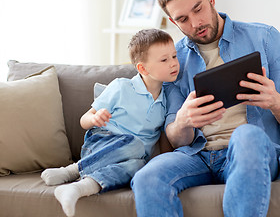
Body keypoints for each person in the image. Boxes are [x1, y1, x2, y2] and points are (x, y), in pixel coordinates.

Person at [131, 0, 280, 216]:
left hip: (249, 150)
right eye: (183, 19)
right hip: (197, 155)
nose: (196, 23)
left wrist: (275, 101)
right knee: (147, 177)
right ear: (173, 21)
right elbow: (176, 139)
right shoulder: (173, 60)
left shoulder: (264, 38)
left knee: (247, 135)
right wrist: (183, 120)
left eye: (198, 9)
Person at [40, 29, 179, 217]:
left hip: (132, 158)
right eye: (164, 60)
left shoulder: (167, 99)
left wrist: (165, 161)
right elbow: (84, 120)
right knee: (136, 145)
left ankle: (79, 187)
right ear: (142, 69)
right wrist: (95, 119)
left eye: (174, 56)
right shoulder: (122, 86)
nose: (173, 63)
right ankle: (73, 170)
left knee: (139, 166)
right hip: (101, 144)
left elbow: (163, 139)